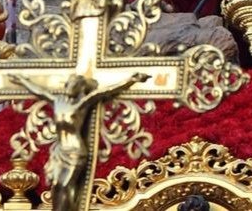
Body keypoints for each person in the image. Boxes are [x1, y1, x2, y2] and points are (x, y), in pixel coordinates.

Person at [10, 73, 150, 211]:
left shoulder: (82, 104)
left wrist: (131, 81)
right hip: (60, 151)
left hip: (75, 152)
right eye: (68, 84)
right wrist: (22, 81)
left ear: (80, 88)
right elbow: (40, 91)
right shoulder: (58, 101)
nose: (69, 87)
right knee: (57, 185)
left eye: (74, 85)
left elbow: (105, 92)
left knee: (66, 185)